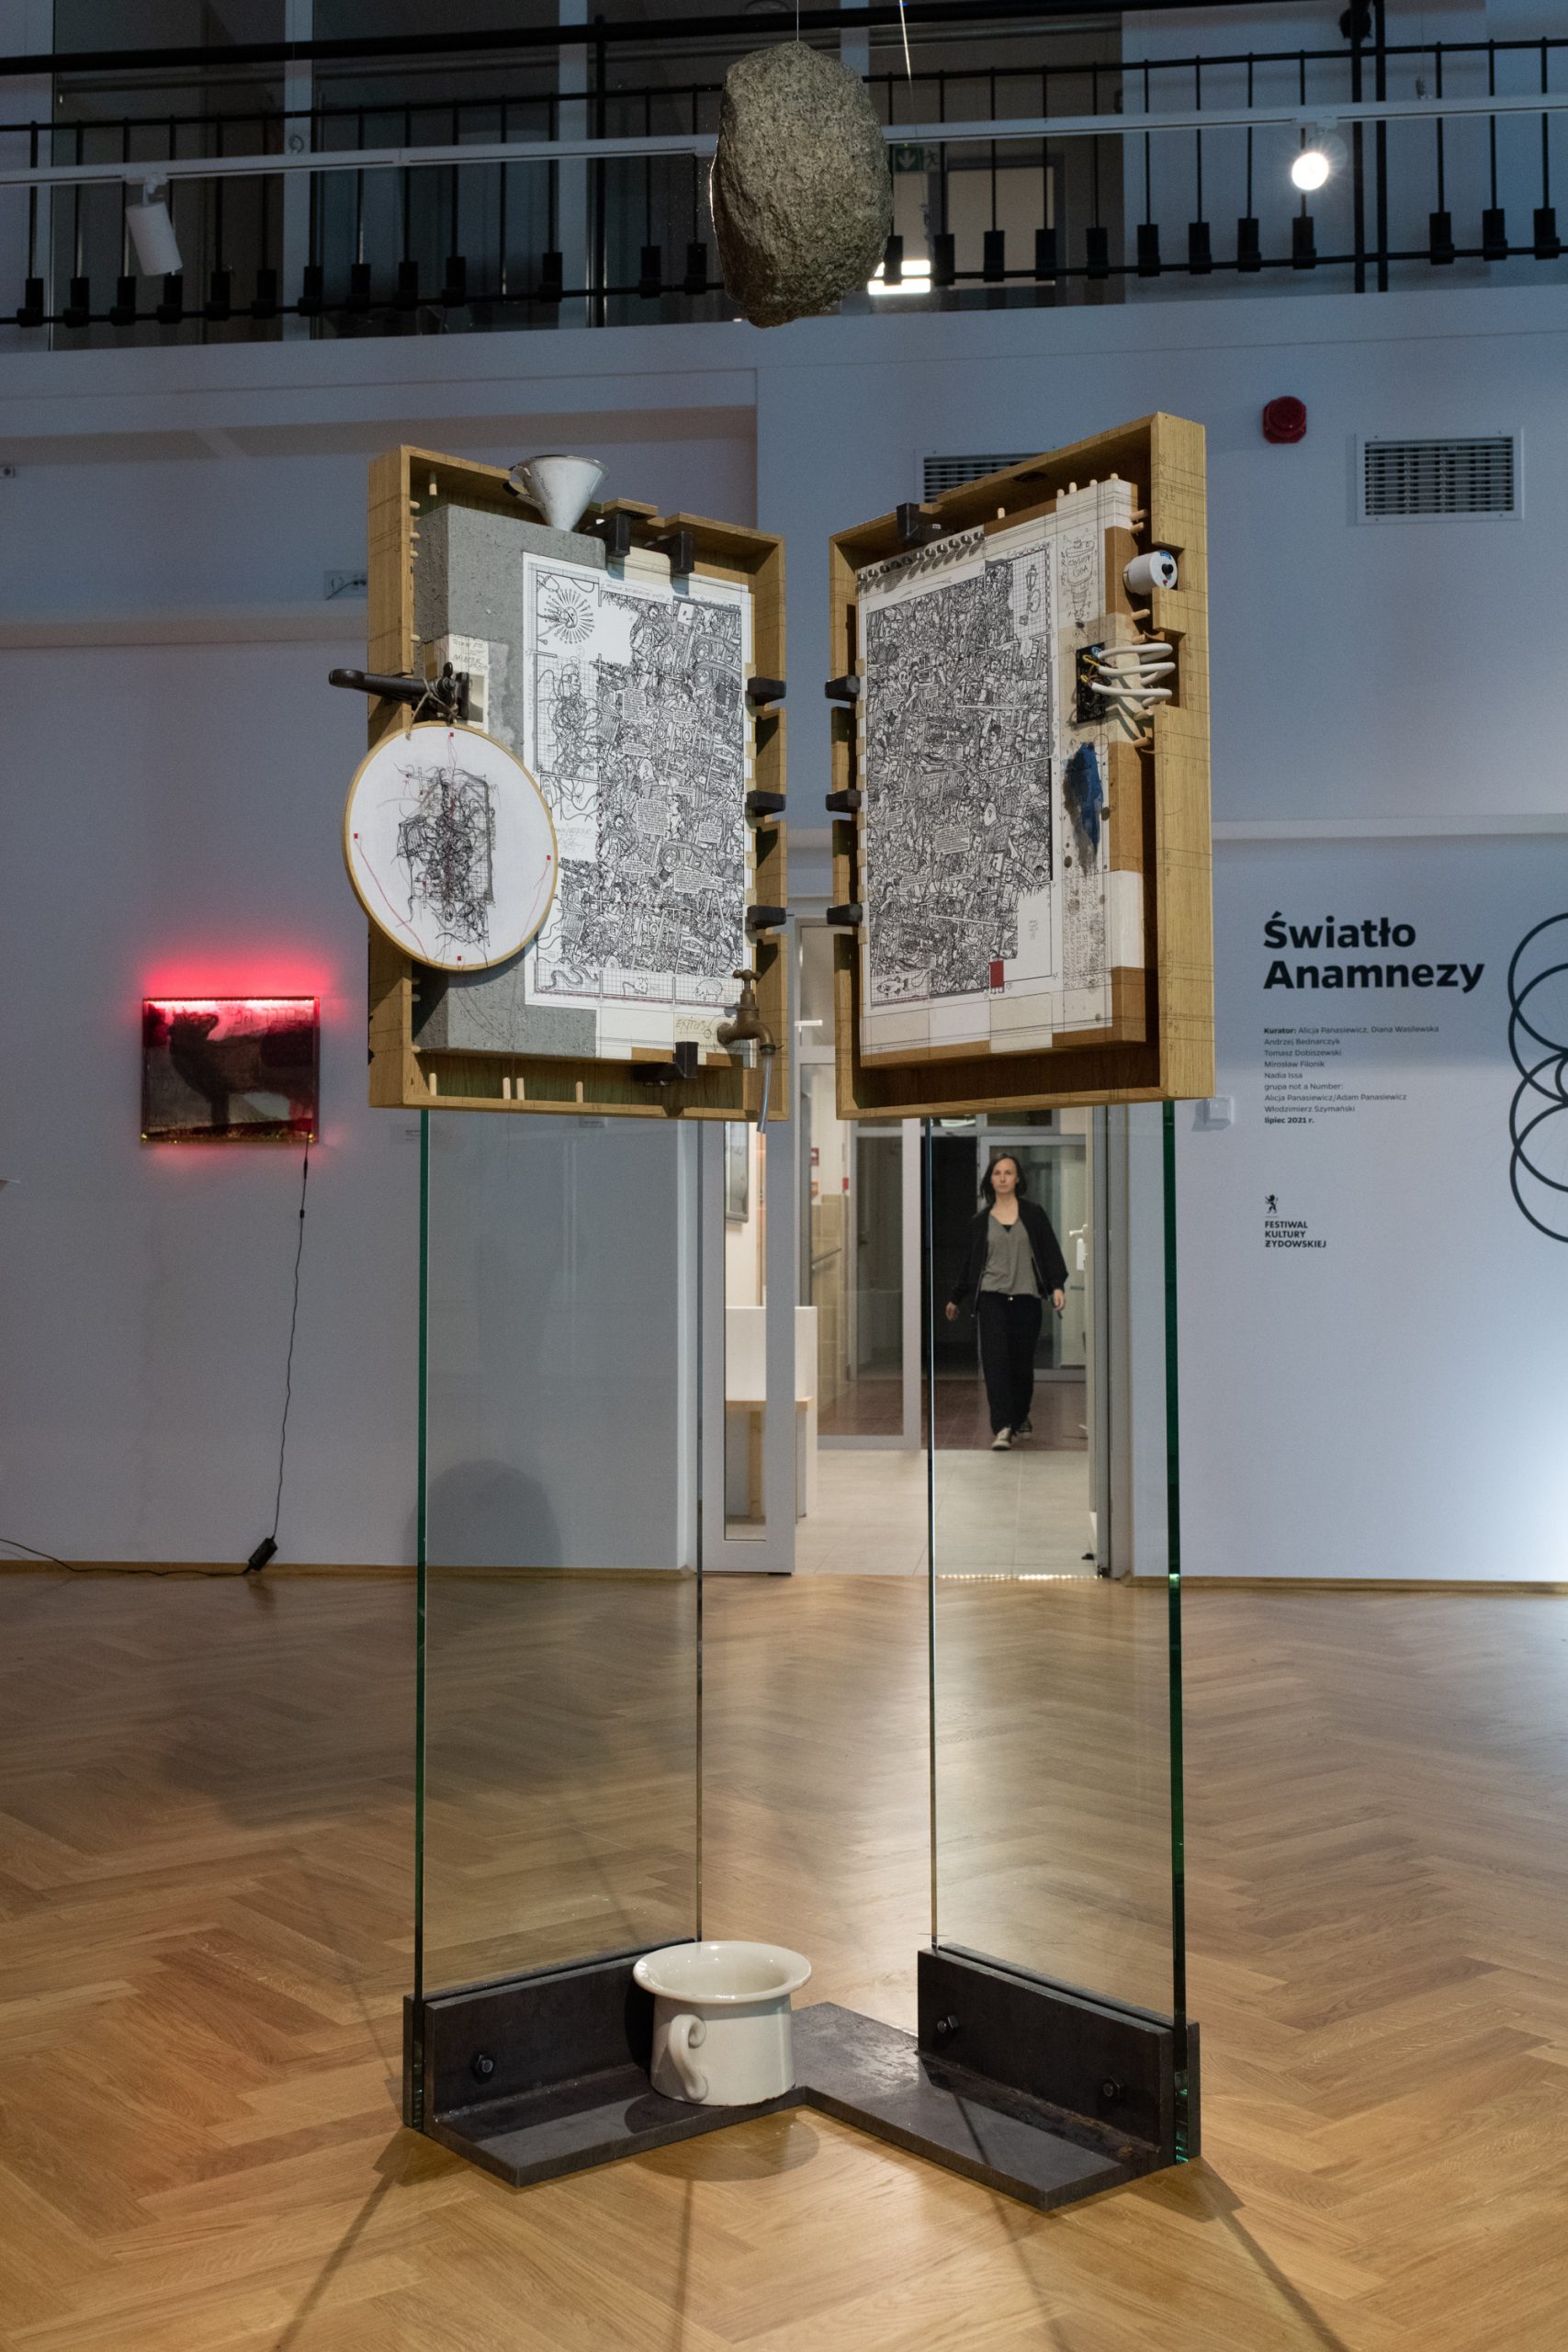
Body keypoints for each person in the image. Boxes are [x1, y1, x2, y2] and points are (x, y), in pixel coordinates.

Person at [945, 1153, 1068, 1453]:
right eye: (997, 1173)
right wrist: (956, 1298)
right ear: (990, 1179)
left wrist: (1056, 1286)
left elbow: (1050, 1251)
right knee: (996, 1364)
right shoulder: (980, 1222)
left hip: (1026, 1299)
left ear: (1017, 1179)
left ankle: (1020, 1415)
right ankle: (1002, 1427)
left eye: (1008, 1173)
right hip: (992, 1300)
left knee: (1022, 1365)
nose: (1002, 1178)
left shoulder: (1034, 1215)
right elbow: (971, 1265)